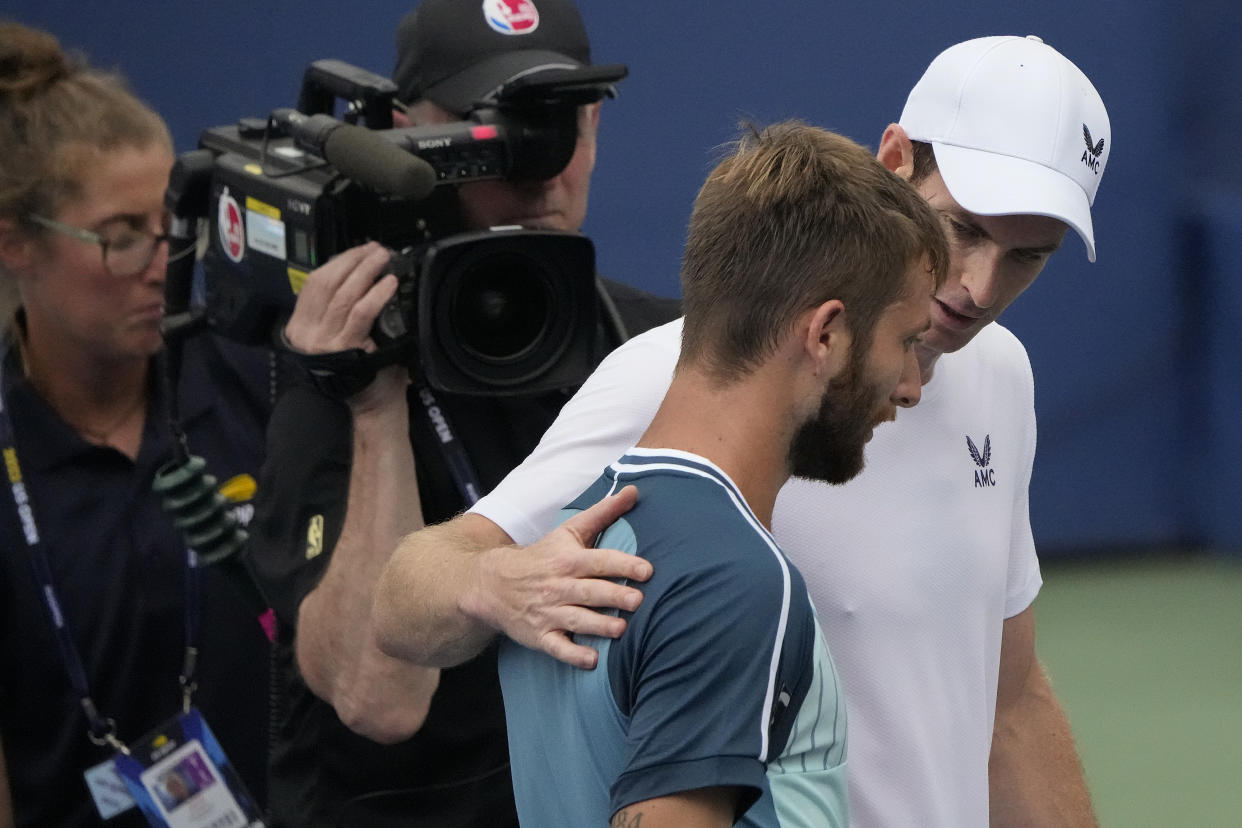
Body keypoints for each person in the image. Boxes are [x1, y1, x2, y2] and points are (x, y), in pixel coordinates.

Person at [372, 34, 1109, 828]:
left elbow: (1012, 700)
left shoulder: (1003, 373)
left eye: (1027, 257)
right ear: (894, 160)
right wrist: (493, 583)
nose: (979, 288)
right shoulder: (671, 380)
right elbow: (407, 597)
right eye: (963, 230)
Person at [243, 0, 680, 825]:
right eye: (501, 129)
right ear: (405, 136)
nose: (540, 166)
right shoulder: (340, 369)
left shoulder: (656, 347)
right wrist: (373, 408)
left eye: (564, 127)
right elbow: (382, 700)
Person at [499, 120, 949, 827]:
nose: (911, 386)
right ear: (826, 335)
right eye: (907, 342)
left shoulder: (569, 537)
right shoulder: (734, 579)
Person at [0, 21, 272, 828]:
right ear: (15, 243)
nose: (163, 264)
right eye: (122, 238)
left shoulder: (252, 382)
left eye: (171, 225)